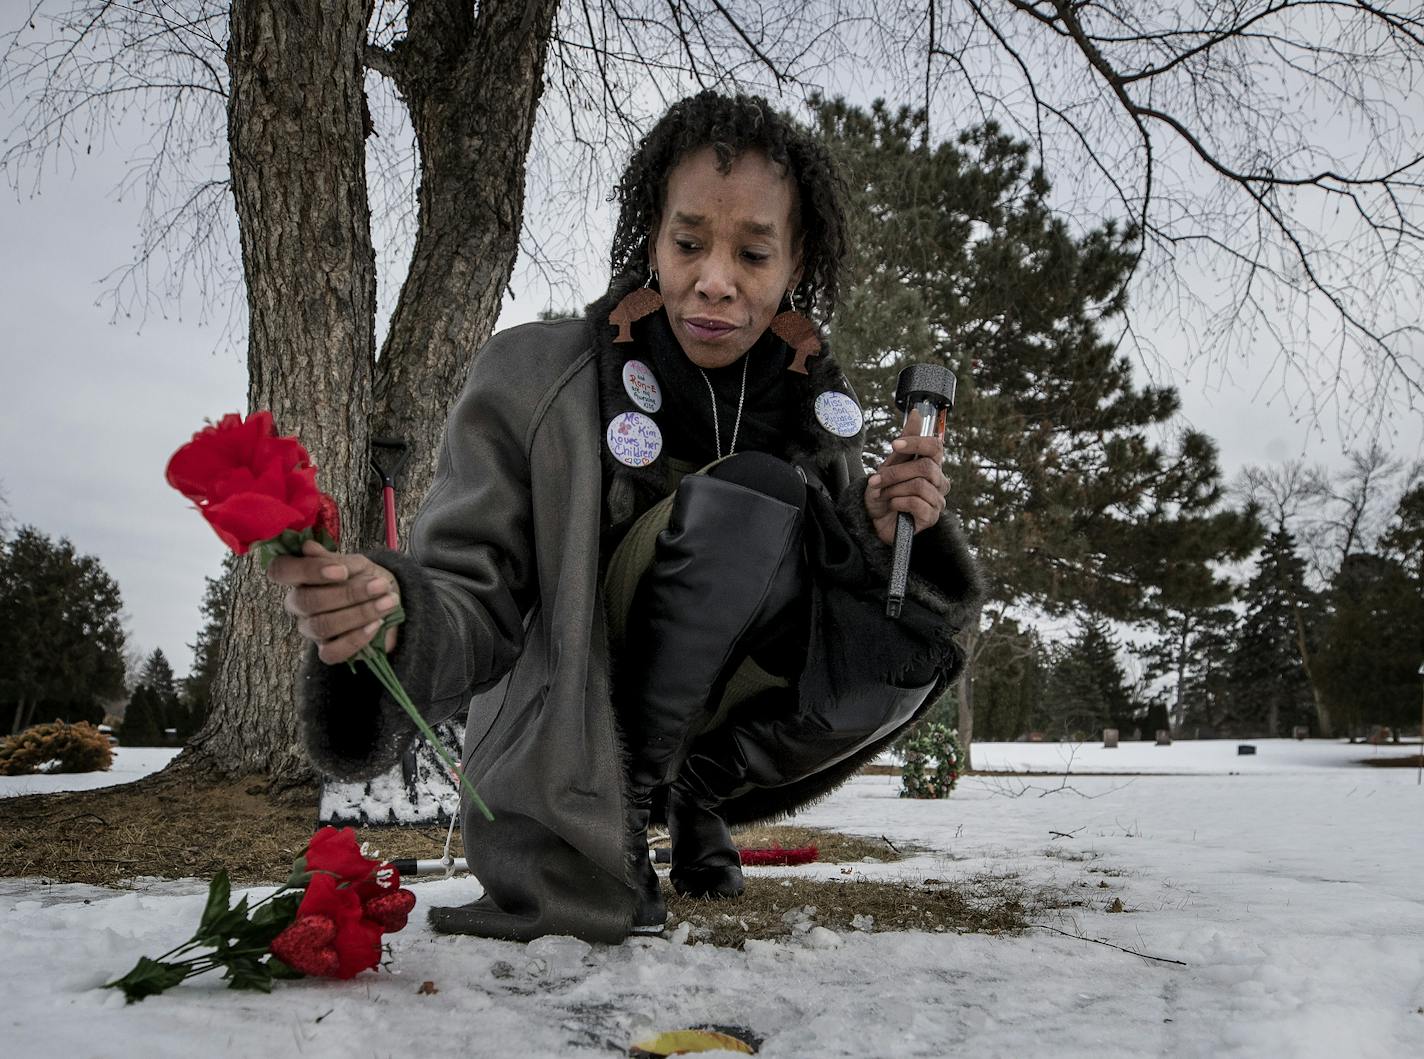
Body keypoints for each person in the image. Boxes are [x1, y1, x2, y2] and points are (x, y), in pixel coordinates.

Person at [268, 91, 982, 943]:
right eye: (688, 244)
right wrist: (394, 616)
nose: (714, 280)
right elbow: (473, 594)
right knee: (752, 497)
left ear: (796, 264)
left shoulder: (815, 412)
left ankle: (695, 793)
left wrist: (878, 526)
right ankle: (626, 806)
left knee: (900, 620)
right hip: (567, 734)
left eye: (753, 254)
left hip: (715, 711)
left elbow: (828, 633)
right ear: (651, 236)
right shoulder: (535, 376)